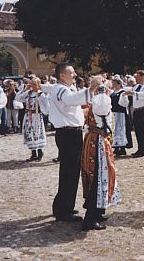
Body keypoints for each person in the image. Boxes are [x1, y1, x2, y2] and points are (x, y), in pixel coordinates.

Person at [49, 63, 98, 222]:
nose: (75, 75)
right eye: (72, 72)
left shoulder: (64, 89)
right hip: (68, 134)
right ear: (62, 75)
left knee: (69, 171)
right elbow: (70, 100)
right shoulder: (62, 89)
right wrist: (90, 89)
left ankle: (63, 205)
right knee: (69, 172)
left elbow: (71, 108)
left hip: (70, 133)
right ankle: (64, 210)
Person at [81, 83, 120, 231]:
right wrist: (104, 92)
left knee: (101, 176)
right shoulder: (101, 100)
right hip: (96, 142)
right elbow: (103, 107)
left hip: (97, 140)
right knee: (97, 177)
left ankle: (97, 212)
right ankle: (89, 219)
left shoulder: (96, 100)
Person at [15, 77, 49, 161]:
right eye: (31, 84)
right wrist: (24, 89)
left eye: (34, 84)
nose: (32, 86)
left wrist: (44, 111)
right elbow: (18, 98)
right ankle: (33, 153)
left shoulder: (41, 94)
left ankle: (40, 152)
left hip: (36, 116)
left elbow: (46, 106)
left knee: (37, 133)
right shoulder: (28, 93)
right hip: (28, 116)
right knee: (29, 133)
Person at [122, 70, 144, 158]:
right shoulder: (137, 86)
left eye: (138, 76)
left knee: (143, 131)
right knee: (138, 130)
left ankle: (142, 150)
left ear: (143, 76)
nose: (136, 78)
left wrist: (133, 93)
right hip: (137, 110)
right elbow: (130, 90)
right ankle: (139, 149)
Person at [110, 78, 133, 156]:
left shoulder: (122, 92)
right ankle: (116, 147)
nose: (113, 85)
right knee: (115, 131)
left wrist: (123, 97)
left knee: (121, 130)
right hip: (114, 113)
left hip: (121, 113)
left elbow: (125, 103)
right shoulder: (112, 93)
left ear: (119, 84)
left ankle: (122, 148)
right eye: (113, 84)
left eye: (115, 83)